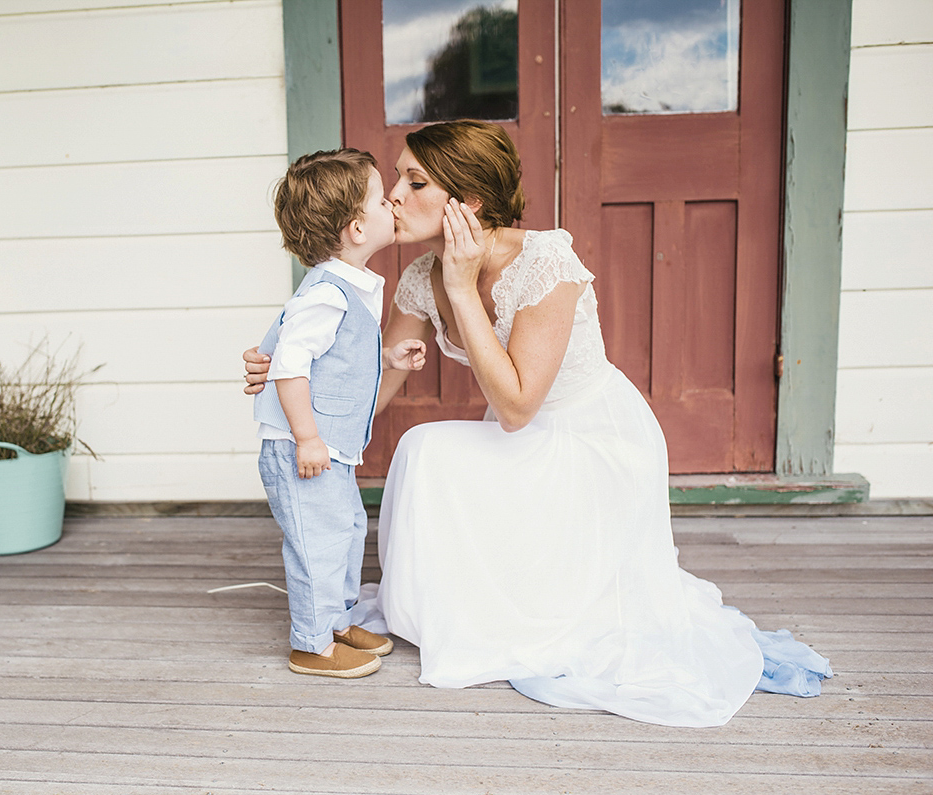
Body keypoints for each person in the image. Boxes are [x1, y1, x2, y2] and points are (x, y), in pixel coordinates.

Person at [245, 121, 829, 725]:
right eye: (394, 178)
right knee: (423, 449)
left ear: (466, 202)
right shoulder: (419, 278)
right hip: (519, 439)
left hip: (593, 442)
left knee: (430, 447)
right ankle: (446, 608)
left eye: (413, 181)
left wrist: (463, 288)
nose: (393, 193)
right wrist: (292, 374)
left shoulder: (546, 261)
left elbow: (521, 406)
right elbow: (371, 386)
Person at [256, 148, 427, 679]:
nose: (393, 203)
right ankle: (310, 643)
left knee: (348, 528)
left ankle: (334, 620)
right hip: (305, 447)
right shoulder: (327, 294)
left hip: (329, 447)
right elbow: (289, 366)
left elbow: (338, 356)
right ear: (357, 227)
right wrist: (306, 438)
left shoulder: (351, 286)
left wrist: (387, 357)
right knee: (318, 542)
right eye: (382, 198)